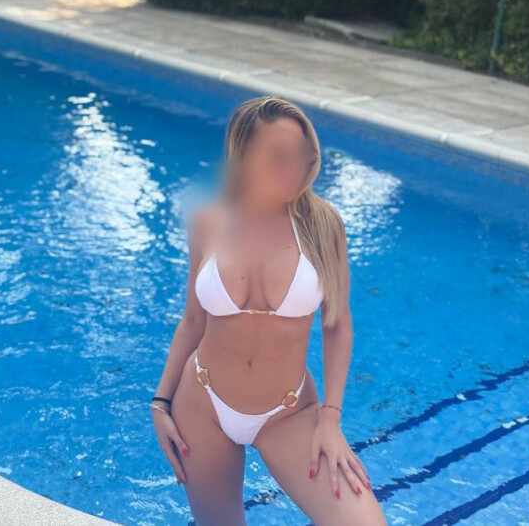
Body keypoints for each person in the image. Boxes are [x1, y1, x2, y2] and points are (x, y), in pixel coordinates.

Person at [150, 95, 388, 526]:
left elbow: (337, 323)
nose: (293, 168)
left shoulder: (323, 225)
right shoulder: (207, 222)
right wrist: (160, 403)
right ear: (242, 155)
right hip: (202, 403)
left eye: (301, 155)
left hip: (288, 412)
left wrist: (330, 419)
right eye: (278, 156)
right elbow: (193, 320)